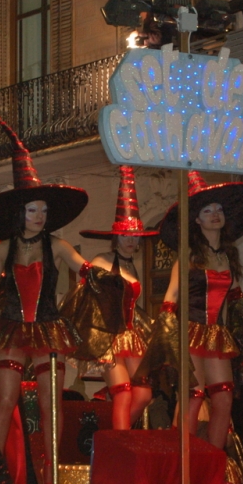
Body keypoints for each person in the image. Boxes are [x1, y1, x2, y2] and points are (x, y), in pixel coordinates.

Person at [0, 118, 89, 484]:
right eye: (33, 210)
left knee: (53, 403)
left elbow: (84, 270)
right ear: (20, 213)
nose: (40, 216)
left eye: (43, 211)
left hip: (50, 329)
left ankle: (53, 472)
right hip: (12, 328)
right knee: (5, 398)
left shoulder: (58, 246)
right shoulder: (4, 248)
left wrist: (100, 276)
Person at [137, 171, 243, 450]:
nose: (215, 214)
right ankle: (181, 461)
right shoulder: (187, 254)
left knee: (224, 398)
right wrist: (167, 336)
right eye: (207, 210)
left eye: (219, 209)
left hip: (216, 334)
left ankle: (213, 462)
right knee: (193, 396)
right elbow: (171, 295)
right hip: (188, 330)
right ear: (196, 219)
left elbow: (227, 303)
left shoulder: (228, 257)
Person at [72, 166, 157, 429]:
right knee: (122, 393)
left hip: (130, 337)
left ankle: (113, 438)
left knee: (143, 394)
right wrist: (97, 342)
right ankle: (118, 447)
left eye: (134, 236)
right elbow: (84, 300)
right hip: (107, 338)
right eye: (125, 235)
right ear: (115, 237)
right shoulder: (101, 262)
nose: (130, 241)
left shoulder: (131, 266)